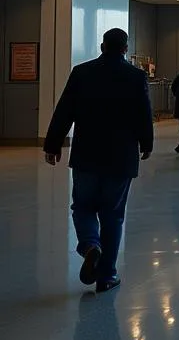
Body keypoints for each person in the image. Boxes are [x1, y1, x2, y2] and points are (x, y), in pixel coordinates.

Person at [43, 28, 153, 293]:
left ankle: (91, 245)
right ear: (125, 49)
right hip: (121, 157)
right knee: (113, 216)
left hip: (86, 155)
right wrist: (146, 144)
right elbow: (143, 114)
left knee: (83, 207)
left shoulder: (82, 72)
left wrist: (53, 144)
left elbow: (64, 109)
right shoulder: (136, 76)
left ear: (102, 46)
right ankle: (106, 276)